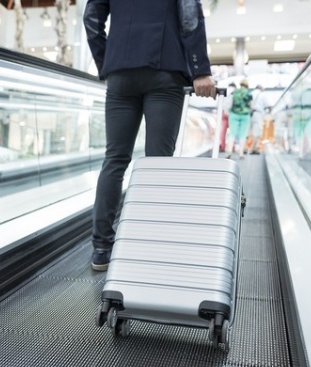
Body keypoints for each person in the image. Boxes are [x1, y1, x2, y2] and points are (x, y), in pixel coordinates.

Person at [83, 0, 216, 271]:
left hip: (120, 72)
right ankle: (150, 242)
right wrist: (200, 69)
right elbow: (189, 16)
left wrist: (107, 61)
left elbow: (91, 20)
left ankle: (101, 248)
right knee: (158, 164)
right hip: (164, 70)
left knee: (115, 159)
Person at [226, 79, 252, 159]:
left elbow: (229, 104)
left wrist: (228, 112)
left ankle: (229, 151)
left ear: (240, 84)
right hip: (245, 115)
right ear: (247, 85)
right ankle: (241, 153)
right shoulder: (249, 94)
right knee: (243, 134)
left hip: (234, 114)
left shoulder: (234, 92)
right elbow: (251, 106)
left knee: (232, 133)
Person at [250, 84, 270, 154]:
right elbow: (268, 105)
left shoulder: (251, 93)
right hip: (258, 114)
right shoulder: (262, 94)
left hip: (250, 114)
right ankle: (255, 148)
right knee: (258, 131)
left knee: (252, 131)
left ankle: (251, 148)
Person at [219, 82, 236, 152]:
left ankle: (222, 146)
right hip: (232, 113)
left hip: (223, 113)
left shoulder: (224, 91)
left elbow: (219, 102)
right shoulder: (235, 92)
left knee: (223, 131)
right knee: (232, 131)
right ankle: (232, 146)